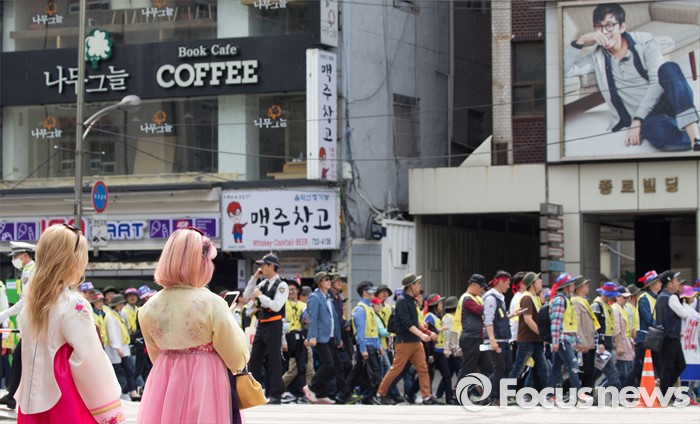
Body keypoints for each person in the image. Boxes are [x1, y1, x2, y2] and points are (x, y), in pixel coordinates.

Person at [137, 227, 249, 423]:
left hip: (164, 380)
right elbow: (235, 356)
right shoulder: (212, 303)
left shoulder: (149, 307)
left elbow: (155, 354)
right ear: (200, 263)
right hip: (206, 378)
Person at [16, 224, 125, 422]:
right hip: (68, 400)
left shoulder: (30, 306)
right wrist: (110, 407)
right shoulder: (73, 304)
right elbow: (91, 361)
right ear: (73, 260)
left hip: (32, 402)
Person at [564, 2, 700, 152]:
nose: (604, 31)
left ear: (622, 27)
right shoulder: (596, 56)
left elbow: (656, 83)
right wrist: (582, 40)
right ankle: (691, 128)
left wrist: (637, 119)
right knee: (656, 133)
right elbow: (565, 70)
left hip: (668, 99)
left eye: (610, 25)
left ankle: (695, 137)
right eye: (599, 26)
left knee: (668, 68)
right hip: (650, 116)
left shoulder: (645, 42)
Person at [374, 273, 441, 405]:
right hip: (405, 342)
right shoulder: (402, 301)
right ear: (411, 286)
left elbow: (415, 323)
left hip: (415, 342)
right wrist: (422, 335)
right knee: (396, 369)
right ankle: (380, 394)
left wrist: (427, 332)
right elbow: (407, 323)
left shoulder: (411, 301)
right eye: (418, 283)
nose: (419, 286)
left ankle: (427, 397)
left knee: (423, 368)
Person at [243, 252, 288, 404]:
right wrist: (254, 277)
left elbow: (276, 306)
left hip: (274, 324)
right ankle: (253, 393)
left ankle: (276, 395)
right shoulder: (262, 284)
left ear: (271, 266)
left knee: (274, 360)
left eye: (263, 265)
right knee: (254, 359)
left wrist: (261, 296)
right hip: (262, 324)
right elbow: (247, 294)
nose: (261, 268)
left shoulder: (281, 285)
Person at [0, 241, 36, 410]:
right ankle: (12, 396)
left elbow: (24, 302)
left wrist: (4, 314)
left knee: (20, 358)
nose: (14, 259)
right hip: (31, 324)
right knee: (19, 358)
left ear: (24, 255)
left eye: (15, 256)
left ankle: (13, 396)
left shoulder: (30, 272)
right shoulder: (29, 271)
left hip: (33, 325)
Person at [303, 272, 344, 404]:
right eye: (326, 279)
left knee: (334, 365)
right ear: (319, 282)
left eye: (329, 280)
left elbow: (334, 319)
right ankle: (311, 387)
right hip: (320, 337)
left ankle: (321, 393)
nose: (329, 282)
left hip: (330, 336)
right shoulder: (315, 297)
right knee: (328, 364)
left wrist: (338, 338)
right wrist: (312, 336)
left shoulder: (328, 297)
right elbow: (313, 318)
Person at [483, 271, 520, 404]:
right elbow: (488, 320)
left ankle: (500, 395)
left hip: (503, 339)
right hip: (496, 340)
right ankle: (494, 397)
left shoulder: (500, 298)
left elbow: (499, 319)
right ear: (500, 282)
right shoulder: (491, 298)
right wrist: (492, 340)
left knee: (507, 367)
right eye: (507, 283)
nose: (509, 287)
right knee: (499, 368)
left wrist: (512, 314)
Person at [507, 272, 549, 390]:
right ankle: (507, 393)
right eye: (538, 280)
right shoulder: (527, 298)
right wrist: (542, 333)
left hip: (535, 340)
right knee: (519, 368)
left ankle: (547, 394)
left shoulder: (535, 298)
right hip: (527, 340)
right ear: (532, 284)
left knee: (542, 368)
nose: (541, 281)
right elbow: (528, 319)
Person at [547, 274, 584, 398]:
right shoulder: (560, 300)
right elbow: (555, 322)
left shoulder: (567, 300)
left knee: (556, 367)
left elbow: (572, 323)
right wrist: (555, 341)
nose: (574, 285)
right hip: (562, 339)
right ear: (566, 286)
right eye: (572, 283)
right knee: (573, 366)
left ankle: (548, 394)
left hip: (566, 339)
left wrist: (578, 340)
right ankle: (578, 394)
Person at [625, 270, 662, 387]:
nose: (661, 283)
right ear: (652, 285)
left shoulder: (658, 298)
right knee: (638, 367)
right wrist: (662, 326)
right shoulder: (644, 298)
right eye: (658, 281)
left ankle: (666, 393)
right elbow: (648, 319)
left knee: (660, 366)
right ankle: (625, 391)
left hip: (655, 337)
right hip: (645, 339)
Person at [345, 281, 380, 404]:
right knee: (373, 373)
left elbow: (373, 329)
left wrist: (379, 346)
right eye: (371, 291)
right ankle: (362, 395)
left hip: (371, 345)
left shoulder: (369, 307)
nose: (374, 293)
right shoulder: (361, 309)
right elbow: (360, 332)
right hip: (366, 345)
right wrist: (363, 349)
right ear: (365, 293)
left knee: (361, 372)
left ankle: (361, 395)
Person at [655, 270, 688, 395]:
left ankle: (665, 390)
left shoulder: (660, 296)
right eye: (676, 281)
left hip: (665, 337)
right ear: (669, 284)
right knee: (671, 367)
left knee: (676, 365)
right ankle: (664, 393)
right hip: (671, 337)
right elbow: (684, 314)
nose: (678, 283)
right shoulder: (672, 297)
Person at [105, 294, 140, 401]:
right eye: (120, 304)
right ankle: (125, 392)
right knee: (120, 372)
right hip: (116, 349)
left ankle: (131, 391)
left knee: (129, 370)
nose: (121, 305)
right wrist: (117, 347)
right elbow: (112, 334)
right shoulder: (110, 317)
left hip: (123, 347)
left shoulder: (117, 315)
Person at [281, 279, 307, 404]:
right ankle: (280, 391)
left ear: (298, 291)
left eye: (293, 289)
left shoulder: (303, 305)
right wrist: (283, 340)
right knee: (284, 366)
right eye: (289, 290)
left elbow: (306, 320)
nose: (291, 292)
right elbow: (282, 322)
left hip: (300, 335)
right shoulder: (283, 304)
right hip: (288, 335)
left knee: (302, 366)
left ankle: (301, 393)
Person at [592, 282, 622, 389]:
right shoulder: (597, 306)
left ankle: (585, 390)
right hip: (601, 344)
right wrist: (600, 342)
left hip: (607, 342)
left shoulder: (608, 306)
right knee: (613, 373)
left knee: (597, 371)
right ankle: (619, 395)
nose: (614, 297)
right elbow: (595, 326)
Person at [571, 278, 600, 389]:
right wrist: (582, 341)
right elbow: (577, 324)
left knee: (590, 371)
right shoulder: (575, 302)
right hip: (584, 342)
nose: (588, 286)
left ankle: (587, 394)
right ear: (579, 288)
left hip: (590, 341)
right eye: (585, 284)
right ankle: (564, 387)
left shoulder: (584, 301)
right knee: (584, 371)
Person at [612, 287, 635, 384]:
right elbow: (616, 329)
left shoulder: (624, 309)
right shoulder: (615, 309)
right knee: (622, 373)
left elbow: (630, 326)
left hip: (627, 343)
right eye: (624, 297)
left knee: (627, 373)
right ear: (617, 297)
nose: (626, 300)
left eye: (628, 298)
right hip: (622, 344)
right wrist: (619, 346)